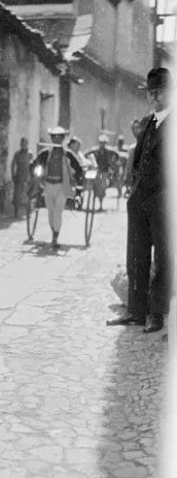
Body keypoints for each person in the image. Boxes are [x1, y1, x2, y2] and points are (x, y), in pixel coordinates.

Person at [107, 67, 172, 333]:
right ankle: (136, 311)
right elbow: (138, 162)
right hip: (139, 201)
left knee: (165, 258)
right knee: (137, 255)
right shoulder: (147, 123)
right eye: (150, 93)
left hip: (164, 202)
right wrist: (134, 191)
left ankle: (156, 314)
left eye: (159, 92)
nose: (153, 97)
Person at [31, 127, 83, 249]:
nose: (57, 139)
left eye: (60, 137)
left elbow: (79, 168)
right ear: (51, 138)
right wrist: (35, 174)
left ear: (63, 139)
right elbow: (34, 164)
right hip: (48, 185)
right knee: (50, 213)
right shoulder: (45, 153)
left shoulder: (68, 154)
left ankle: (55, 238)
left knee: (57, 212)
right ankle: (54, 232)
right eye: (54, 137)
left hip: (62, 186)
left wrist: (75, 179)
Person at [84, 134, 119, 210]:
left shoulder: (109, 151)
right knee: (95, 188)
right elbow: (86, 154)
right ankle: (94, 204)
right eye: (101, 142)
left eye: (104, 142)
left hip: (104, 173)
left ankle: (100, 205)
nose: (102, 144)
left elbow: (117, 155)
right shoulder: (95, 150)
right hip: (96, 172)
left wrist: (113, 162)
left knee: (102, 189)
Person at [11, 137, 34, 218]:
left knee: (28, 195)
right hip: (19, 176)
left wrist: (33, 176)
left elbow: (33, 166)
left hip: (27, 177)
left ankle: (28, 211)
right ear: (20, 144)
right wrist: (13, 174)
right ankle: (16, 211)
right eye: (22, 143)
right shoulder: (17, 154)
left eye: (25, 143)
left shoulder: (30, 154)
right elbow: (13, 164)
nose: (24, 145)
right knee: (17, 195)